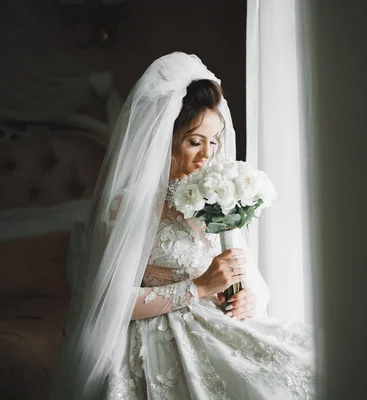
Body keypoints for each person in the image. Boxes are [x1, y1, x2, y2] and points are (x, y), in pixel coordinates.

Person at [51, 52, 315, 400]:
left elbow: (244, 275)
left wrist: (247, 298)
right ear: (167, 138)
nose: (207, 155)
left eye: (214, 141)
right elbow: (109, 302)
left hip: (217, 321)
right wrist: (198, 287)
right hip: (157, 332)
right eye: (195, 141)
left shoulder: (218, 193)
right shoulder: (129, 205)